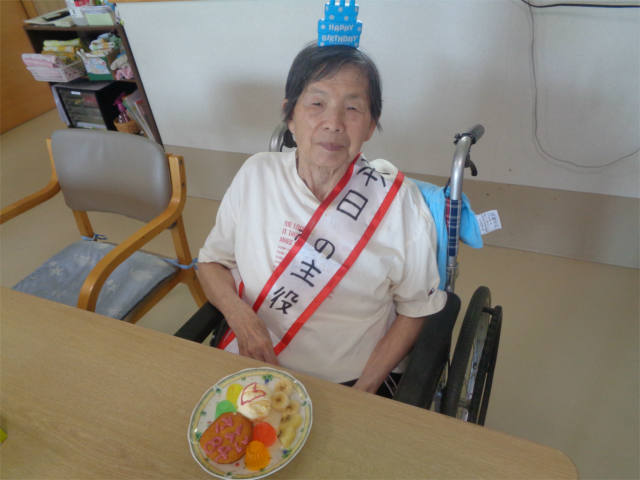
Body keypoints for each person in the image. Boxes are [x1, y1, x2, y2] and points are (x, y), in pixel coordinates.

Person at [197, 43, 446, 397]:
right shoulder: (256, 174)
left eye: (353, 108)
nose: (333, 123)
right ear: (289, 115)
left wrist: (364, 390)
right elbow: (211, 263)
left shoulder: (399, 204)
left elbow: (416, 309)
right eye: (317, 103)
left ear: (371, 125)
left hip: (350, 382)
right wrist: (242, 320)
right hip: (254, 362)